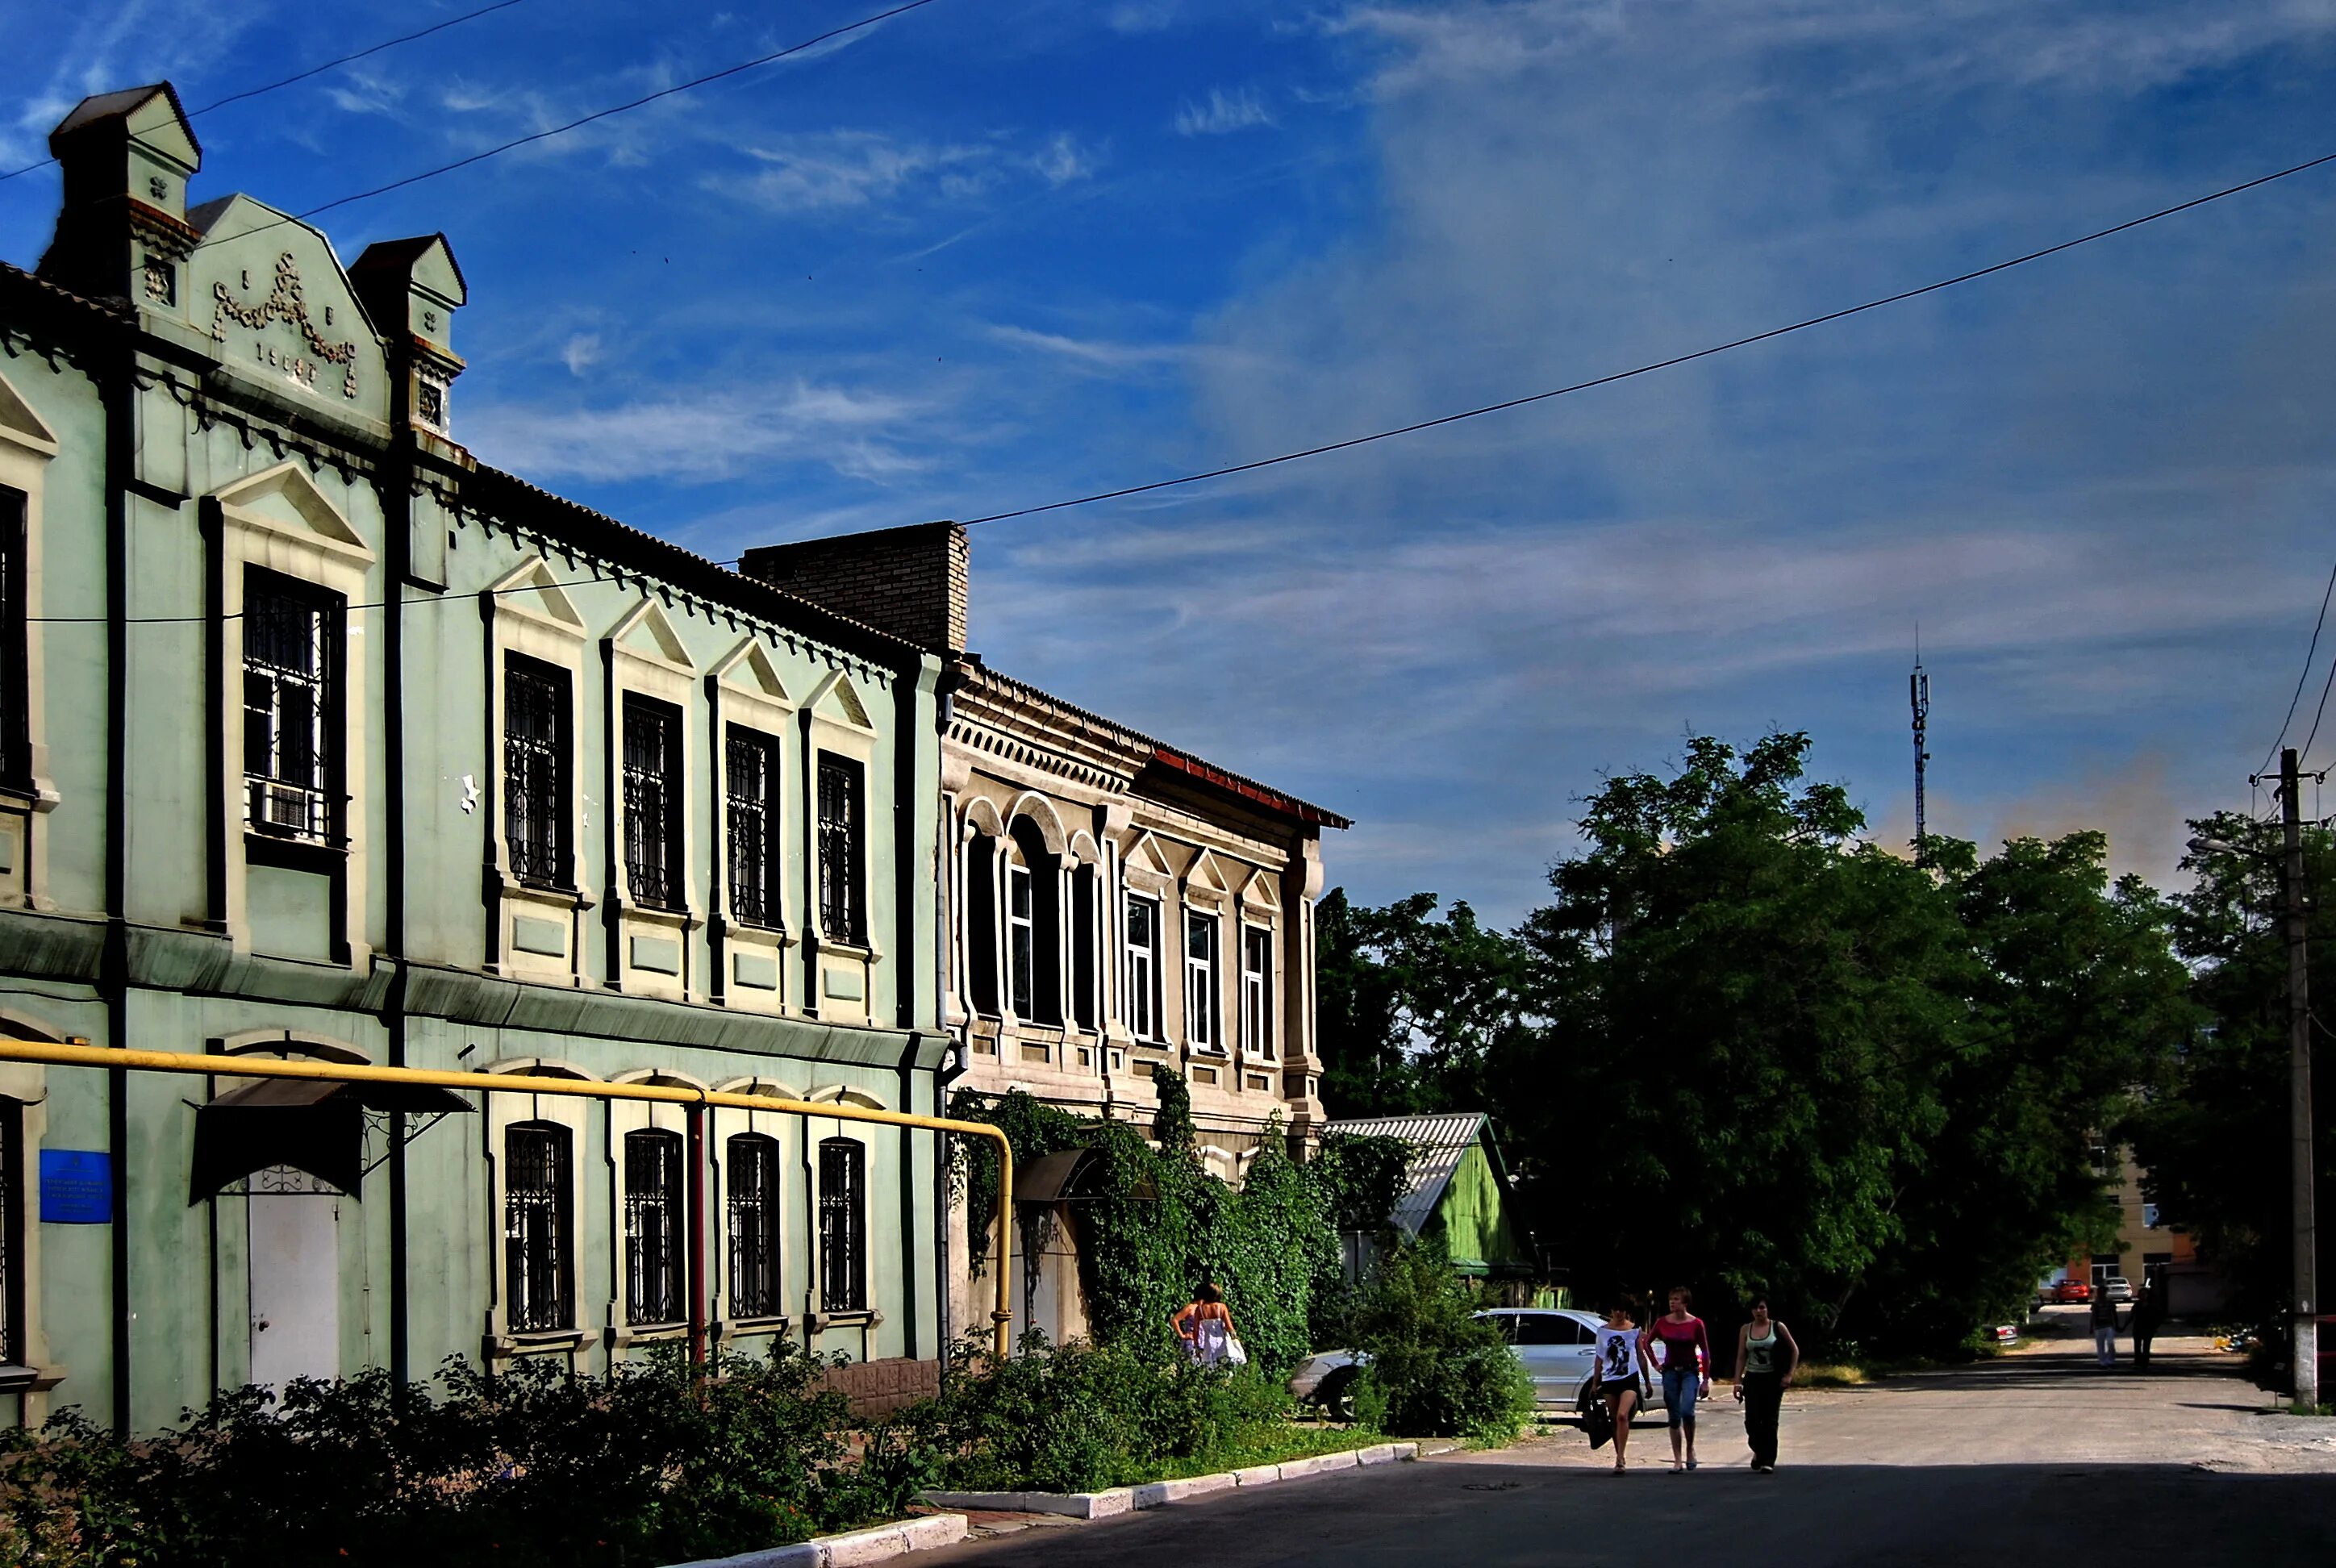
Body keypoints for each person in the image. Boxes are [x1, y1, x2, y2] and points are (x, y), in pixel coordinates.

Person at [1643, 1286, 1713, 1473]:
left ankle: (1690, 1449)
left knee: (1687, 1411)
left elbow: (1705, 1352)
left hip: (1690, 1371)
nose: (1672, 1302)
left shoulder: (1696, 1324)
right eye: (1670, 1299)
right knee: (1674, 1416)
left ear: (1685, 1302)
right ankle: (1677, 1459)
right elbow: (1646, 1342)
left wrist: (1705, 1379)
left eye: (1676, 1299)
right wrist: (1656, 1364)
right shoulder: (1662, 1323)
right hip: (1670, 1372)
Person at [1732, 1294, 1800, 1474]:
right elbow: (1741, 1356)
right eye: (1755, 1308)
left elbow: (1794, 1350)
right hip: (1753, 1378)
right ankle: (1759, 1450)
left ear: (1767, 1309)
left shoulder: (1777, 1327)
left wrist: (1789, 1375)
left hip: (1773, 1378)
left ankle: (1768, 1459)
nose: (1758, 1311)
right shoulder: (1746, 1329)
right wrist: (1737, 1381)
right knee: (1752, 1421)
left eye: (1762, 1307)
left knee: (1770, 1420)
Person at [1589, 1299, 1651, 1474]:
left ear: (1627, 1312)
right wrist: (1596, 1382)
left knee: (1623, 1415)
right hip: (1609, 1378)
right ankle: (1619, 1456)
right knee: (1614, 1417)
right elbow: (1600, 1357)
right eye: (1616, 1310)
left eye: (1622, 1310)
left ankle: (1620, 1457)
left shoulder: (1634, 1330)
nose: (1619, 1313)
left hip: (1629, 1378)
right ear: (1612, 1310)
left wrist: (1647, 1381)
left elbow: (1640, 1356)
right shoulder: (1603, 1332)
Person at [1173, 1282, 1238, 1366]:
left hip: (1205, 1342)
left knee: (1204, 1365)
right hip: (1199, 1342)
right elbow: (1175, 1320)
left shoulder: (1200, 1309)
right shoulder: (1192, 1307)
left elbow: (1198, 1328)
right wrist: (1183, 1335)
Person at [2133, 1279, 2164, 1370]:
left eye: (2145, 1294)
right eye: (2141, 1294)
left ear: (2148, 1295)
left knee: (2146, 1346)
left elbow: (2158, 1317)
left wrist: (2156, 1327)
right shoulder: (2137, 1305)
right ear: (2139, 1296)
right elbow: (2132, 1316)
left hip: (2148, 1328)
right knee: (2137, 1346)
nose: (2143, 1296)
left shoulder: (2152, 1306)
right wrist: (2123, 1327)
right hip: (2138, 1328)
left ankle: (2145, 1362)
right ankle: (2137, 1362)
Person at [2090, 1282, 2119, 1368]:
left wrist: (2117, 1324)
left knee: (2110, 1342)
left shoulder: (2110, 1302)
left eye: (2102, 1292)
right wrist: (2091, 1327)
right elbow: (2093, 1315)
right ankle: (2102, 1361)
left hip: (2109, 1325)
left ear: (2105, 1293)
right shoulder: (2095, 1303)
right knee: (2100, 1344)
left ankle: (2110, 1360)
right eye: (2099, 1292)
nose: (2101, 1294)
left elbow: (2114, 1313)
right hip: (2098, 1326)